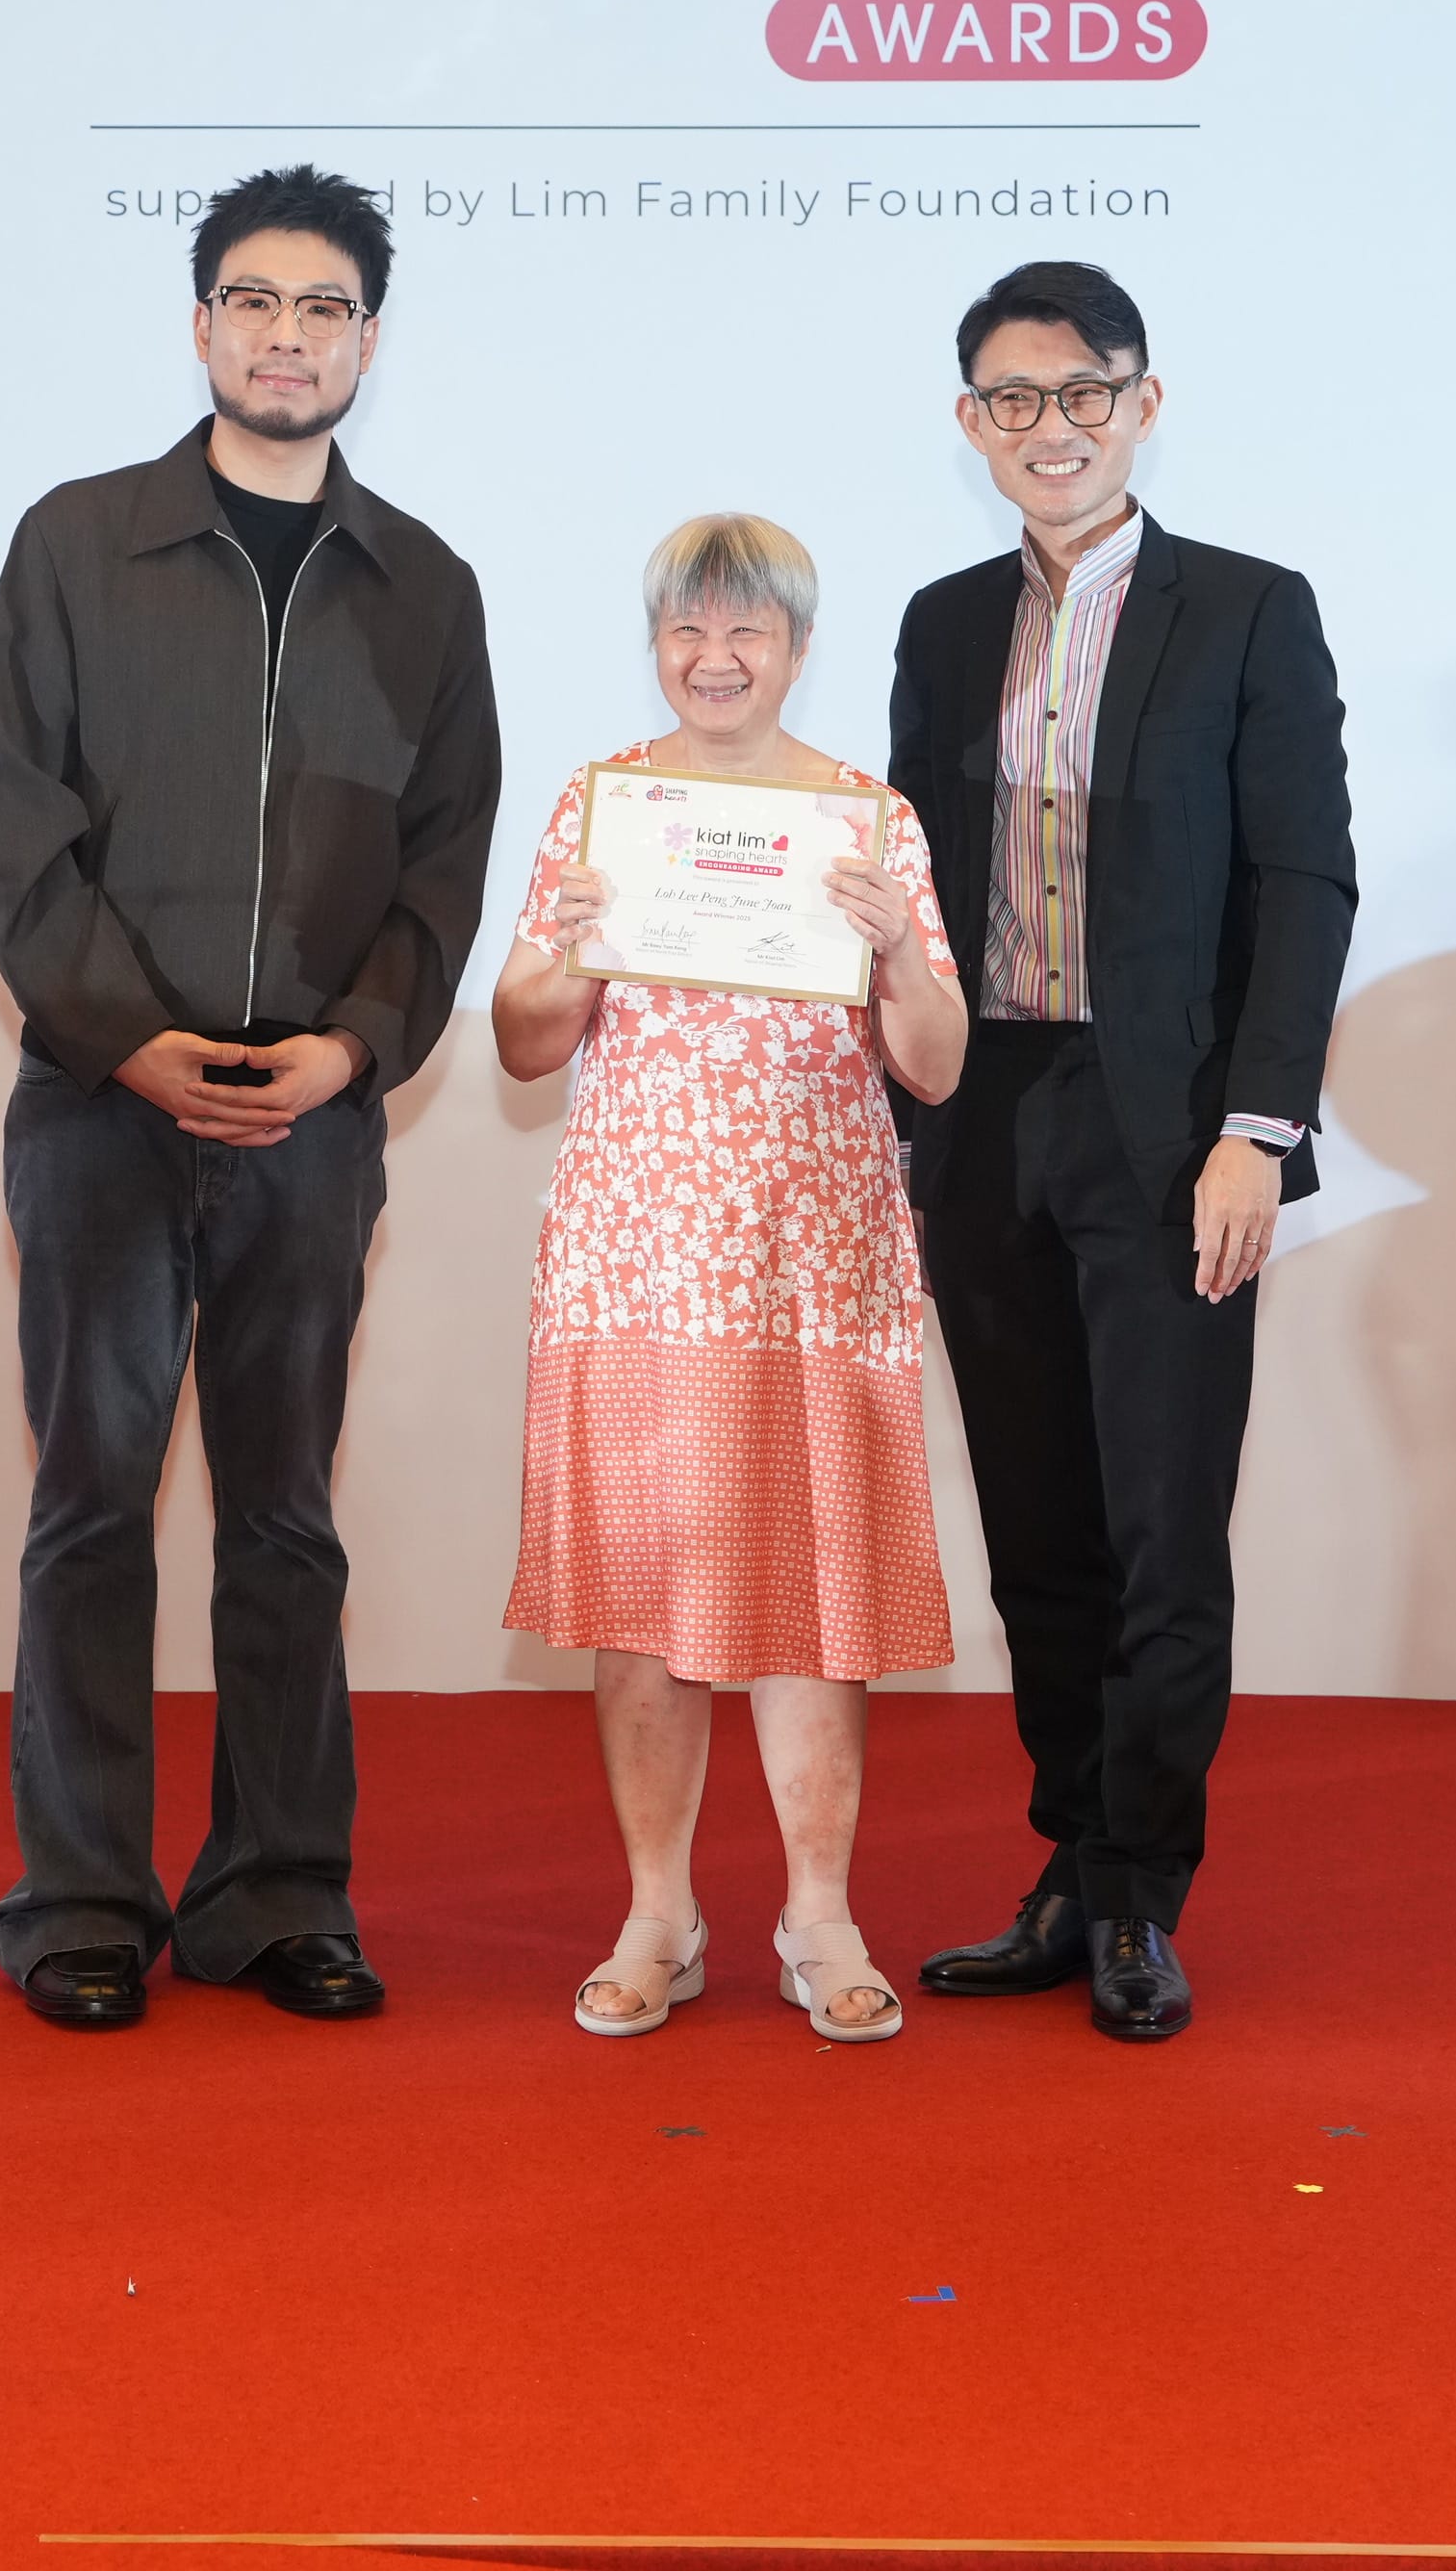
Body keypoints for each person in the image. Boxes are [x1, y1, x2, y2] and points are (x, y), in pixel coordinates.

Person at [0, 166, 503, 2029]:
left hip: (315, 1124)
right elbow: (17, 831)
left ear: (370, 338)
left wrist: (352, 1050)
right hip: (104, 1111)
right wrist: (129, 1039)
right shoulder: (76, 543)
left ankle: (279, 1894)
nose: (290, 336)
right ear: (202, 326)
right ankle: (83, 1902)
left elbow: (447, 864)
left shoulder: (427, 588)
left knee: (285, 1517)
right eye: (256, 303)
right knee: (94, 1505)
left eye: (327, 308)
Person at [885, 262, 1354, 2043]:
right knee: (1037, 1533)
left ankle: (1146, 1895)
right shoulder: (939, 623)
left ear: (1144, 403)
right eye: (1013, 401)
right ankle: (1071, 1868)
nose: (1050, 429)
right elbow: (908, 886)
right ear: (971, 425)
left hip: (1171, 1133)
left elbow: (1302, 884)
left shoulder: (1247, 610)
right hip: (982, 1112)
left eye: (1082, 393)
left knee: (1166, 1534)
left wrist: (1258, 1128)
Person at [493, 517, 968, 2046]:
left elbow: (939, 1068)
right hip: (640, 1250)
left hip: (812, 1254)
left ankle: (819, 1915)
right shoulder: (605, 807)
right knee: (643, 1595)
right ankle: (658, 1915)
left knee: (816, 1593)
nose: (716, 659)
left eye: (747, 633)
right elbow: (522, 1040)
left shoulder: (867, 823)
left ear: (797, 646)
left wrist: (899, 955)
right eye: (687, 632)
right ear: (656, 647)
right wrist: (564, 955)